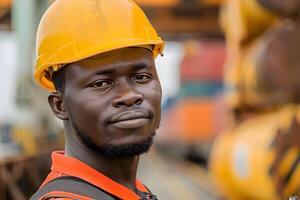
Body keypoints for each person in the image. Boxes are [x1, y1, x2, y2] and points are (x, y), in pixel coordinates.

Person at [30, 0, 164, 199]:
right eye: (101, 83)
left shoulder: (132, 190)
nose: (129, 96)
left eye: (141, 77)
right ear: (60, 105)